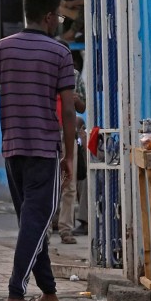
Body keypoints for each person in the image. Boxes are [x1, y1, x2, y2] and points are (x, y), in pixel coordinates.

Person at [0, 0, 75, 301]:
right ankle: (16, 293)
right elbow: (69, 112)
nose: (58, 21)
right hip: (44, 148)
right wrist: (70, 154)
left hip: (13, 148)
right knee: (36, 222)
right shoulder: (60, 52)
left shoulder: (0, 49)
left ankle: (49, 292)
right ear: (47, 17)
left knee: (33, 222)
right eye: (57, 16)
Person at [56, 51, 87, 244]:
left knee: (70, 184)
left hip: (67, 133)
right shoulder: (44, 74)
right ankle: (47, 226)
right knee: (50, 183)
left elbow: (82, 107)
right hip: (47, 132)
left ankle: (65, 229)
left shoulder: (74, 75)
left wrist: (76, 100)